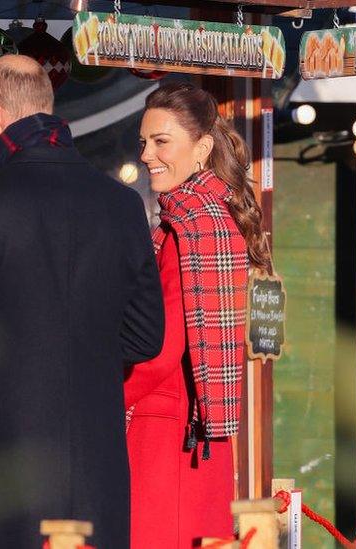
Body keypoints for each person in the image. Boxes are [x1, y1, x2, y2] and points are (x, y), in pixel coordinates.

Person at [0, 55, 165, 549]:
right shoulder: (122, 205)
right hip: (95, 446)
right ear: (47, 108)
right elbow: (144, 335)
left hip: (6, 448)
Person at [125, 82, 272, 548]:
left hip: (168, 438)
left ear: (202, 148)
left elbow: (163, 347)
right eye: (144, 142)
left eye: (161, 141)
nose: (148, 154)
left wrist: (97, 393)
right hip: (199, 435)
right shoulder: (206, 217)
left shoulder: (193, 226)